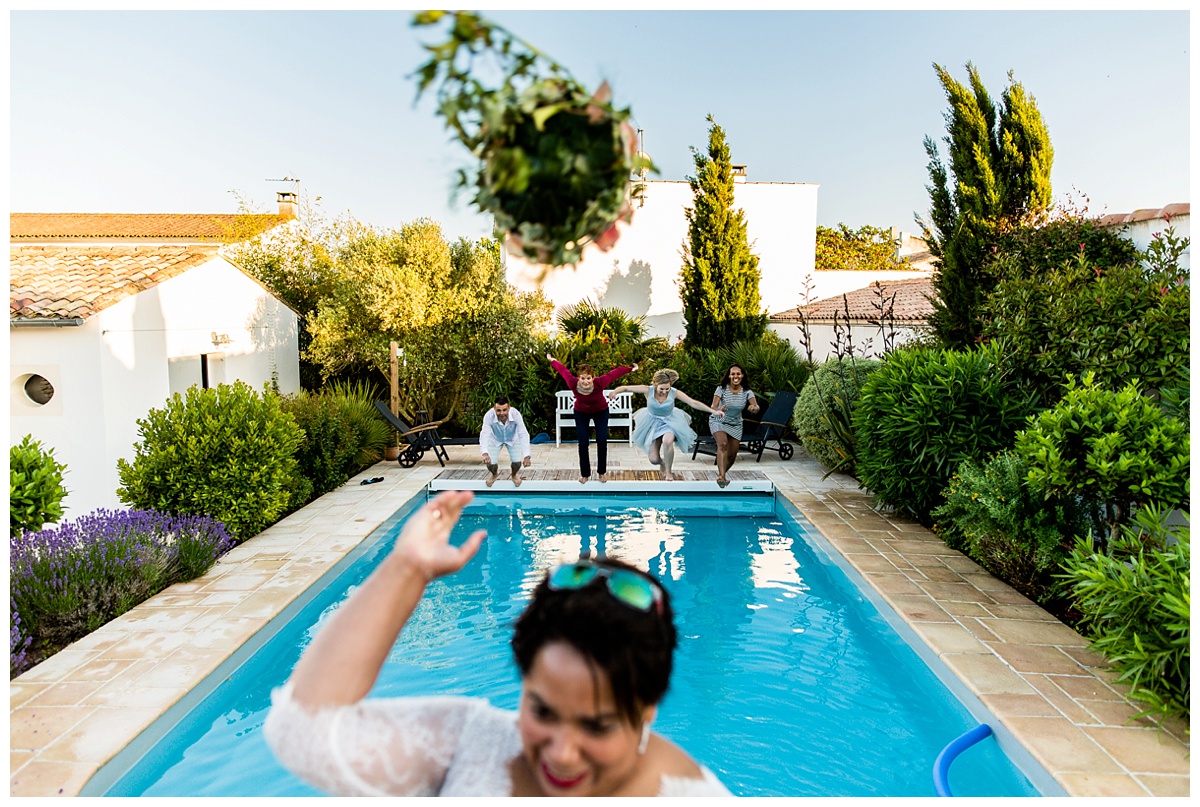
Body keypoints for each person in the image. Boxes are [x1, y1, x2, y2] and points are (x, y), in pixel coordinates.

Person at [263, 489, 732, 797]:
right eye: (543, 711)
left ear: (649, 706)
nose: (562, 753)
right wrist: (406, 570)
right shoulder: (469, 744)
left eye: (598, 726)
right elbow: (301, 730)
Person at [612, 369, 724, 481]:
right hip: (652, 423)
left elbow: (693, 402)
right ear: (655, 384)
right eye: (662, 389)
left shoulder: (674, 392)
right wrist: (615, 392)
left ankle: (669, 472)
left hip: (670, 422)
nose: (665, 392)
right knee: (653, 459)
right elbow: (625, 387)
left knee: (667, 441)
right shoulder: (647, 390)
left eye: (667, 389)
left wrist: (713, 411)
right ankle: (663, 463)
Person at [547, 354, 638, 484]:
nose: (585, 381)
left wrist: (630, 369)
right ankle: (585, 474)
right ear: (579, 378)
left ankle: (601, 472)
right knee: (583, 443)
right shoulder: (573, 383)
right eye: (583, 378)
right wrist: (553, 361)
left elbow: (614, 373)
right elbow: (563, 370)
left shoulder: (600, 383)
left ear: (593, 378)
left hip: (600, 411)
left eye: (588, 378)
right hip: (581, 412)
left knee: (602, 440)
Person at [708, 364, 759, 488]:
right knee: (723, 444)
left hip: (736, 424)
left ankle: (722, 473)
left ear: (742, 375)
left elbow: (756, 406)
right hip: (718, 420)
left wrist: (753, 408)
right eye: (733, 374)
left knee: (731, 456)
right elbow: (713, 407)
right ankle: (722, 477)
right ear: (729, 376)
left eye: (738, 373)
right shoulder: (722, 388)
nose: (735, 376)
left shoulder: (747, 391)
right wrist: (719, 409)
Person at [479, 396, 532, 487]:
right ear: (494, 409)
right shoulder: (489, 416)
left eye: (504, 410)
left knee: (517, 462)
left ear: (509, 408)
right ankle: (494, 474)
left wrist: (527, 455)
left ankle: (514, 475)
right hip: (495, 439)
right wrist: (484, 452)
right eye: (498, 410)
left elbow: (523, 433)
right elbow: (484, 434)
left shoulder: (516, 414)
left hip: (512, 438)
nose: (502, 413)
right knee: (490, 463)